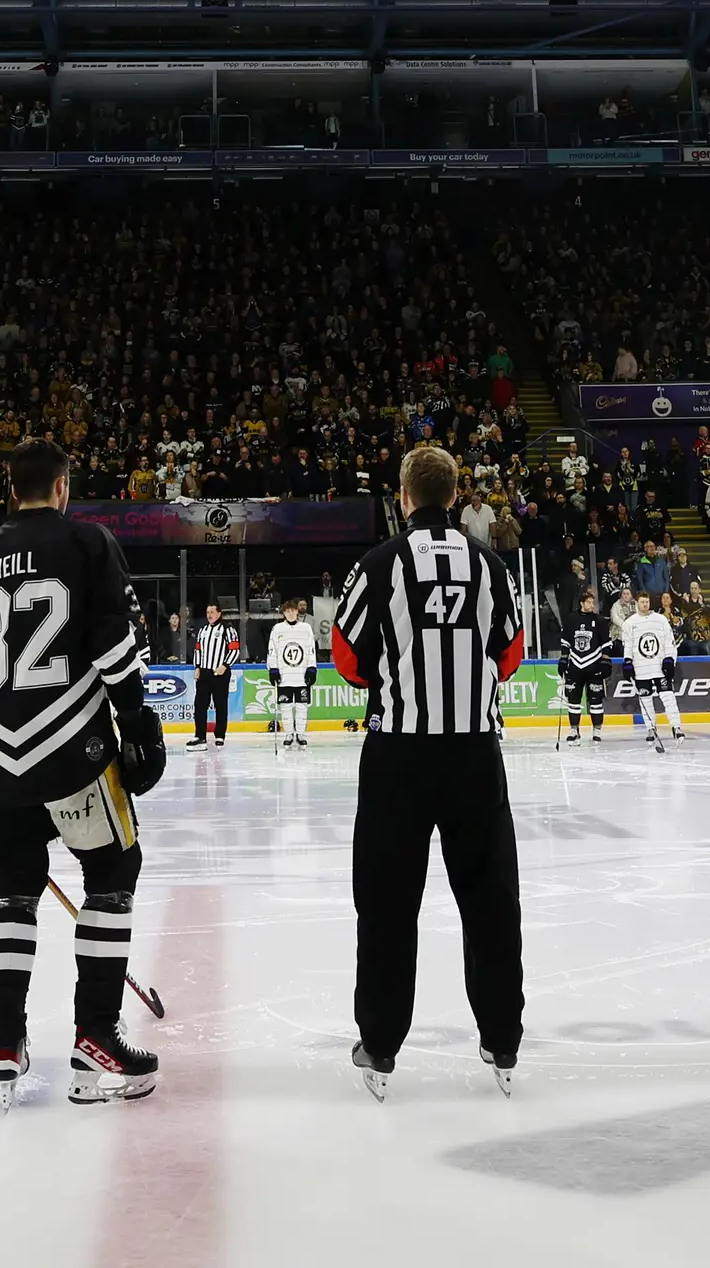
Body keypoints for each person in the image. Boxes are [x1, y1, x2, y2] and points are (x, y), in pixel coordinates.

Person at [0, 437, 163, 1105]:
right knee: (113, 873)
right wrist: (137, 720)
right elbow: (113, 642)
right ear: (63, 487)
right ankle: (96, 1033)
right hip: (74, 753)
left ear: (10, 488)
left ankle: (5, 1043)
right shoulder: (88, 543)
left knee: (11, 893)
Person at [331, 446, 525, 1099]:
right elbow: (512, 653)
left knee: (386, 905)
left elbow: (347, 659)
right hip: (474, 753)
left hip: (398, 759)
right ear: (455, 494)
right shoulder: (489, 563)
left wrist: (399, 682)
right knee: (490, 902)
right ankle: (502, 1037)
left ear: (404, 497)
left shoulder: (378, 563)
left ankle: (380, 1044)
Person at [620, 593, 682, 745]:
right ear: (637, 603)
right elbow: (628, 645)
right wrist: (627, 662)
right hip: (641, 668)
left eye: (647, 601)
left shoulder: (660, 620)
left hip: (659, 667)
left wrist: (669, 660)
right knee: (645, 699)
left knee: (668, 696)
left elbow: (669, 641)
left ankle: (676, 727)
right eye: (642, 602)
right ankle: (650, 728)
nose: (645, 605)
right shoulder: (629, 623)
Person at [559, 593, 613, 744]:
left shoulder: (599, 620)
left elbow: (606, 643)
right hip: (575, 665)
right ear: (581, 603)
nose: (591, 605)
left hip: (594, 665)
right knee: (573, 699)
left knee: (595, 700)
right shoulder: (571, 619)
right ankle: (574, 729)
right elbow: (565, 642)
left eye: (592, 602)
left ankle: (596, 730)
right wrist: (564, 659)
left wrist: (606, 661)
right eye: (588, 602)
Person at [266, 599, 319, 748]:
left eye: (292, 611)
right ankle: (289, 733)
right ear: (283, 613)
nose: (290, 613)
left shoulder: (306, 628)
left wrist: (311, 668)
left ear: (297, 611)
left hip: (301, 675)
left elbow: (310, 650)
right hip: (285, 675)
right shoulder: (277, 629)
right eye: (287, 611)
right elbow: (272, 650)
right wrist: (273, 670)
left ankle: (301, 734)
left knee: (302, 705)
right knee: (286, 706)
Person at [191, 602, 238, 748]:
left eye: (212, 612)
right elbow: (198, 650)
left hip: (220, 673)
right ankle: (200, 735)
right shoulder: (203, 630)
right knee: (199, 704)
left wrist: (225, 665)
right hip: (204, 673)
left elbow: (235, 649)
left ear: (219, 613)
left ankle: (220, 735)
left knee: (220, 705)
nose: (209, 615)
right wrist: (197, 667)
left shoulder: (227, 629)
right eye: (207, 612)